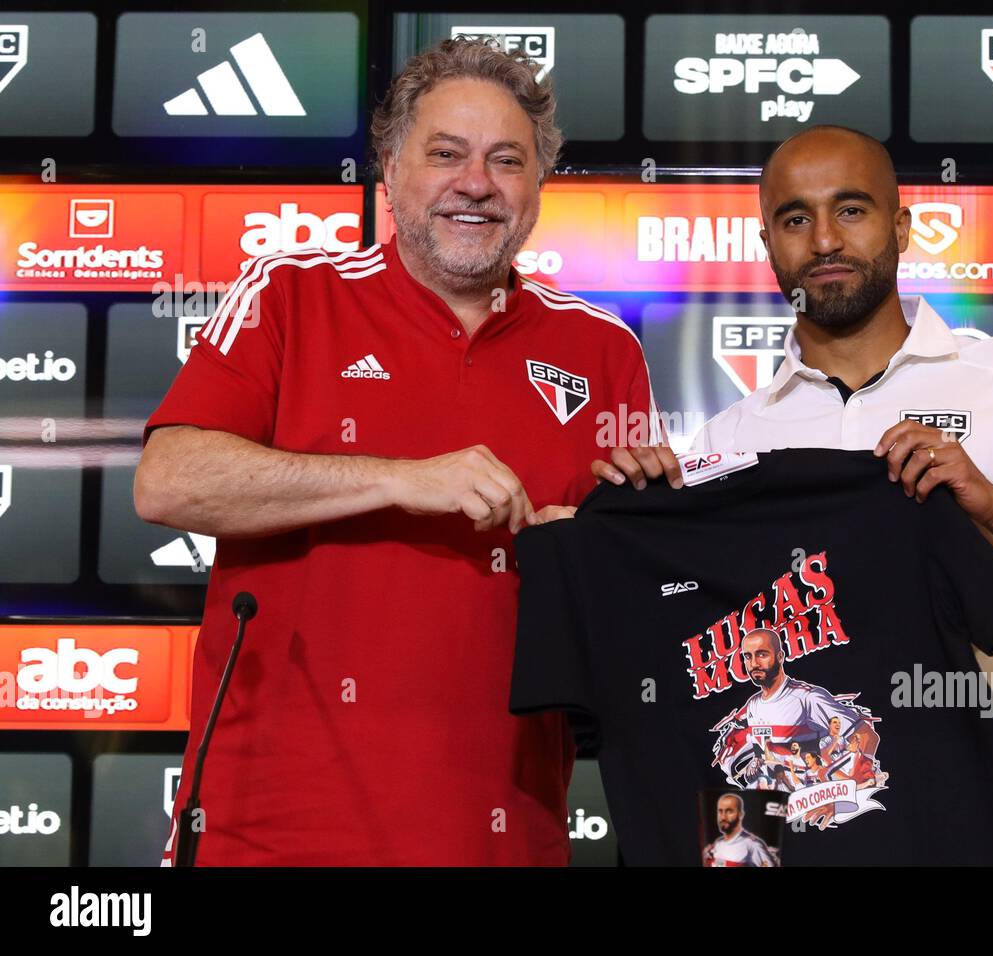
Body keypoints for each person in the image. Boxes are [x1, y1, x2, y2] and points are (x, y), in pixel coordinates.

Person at [135, 37, 658, 865]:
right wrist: (404, 480)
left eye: (507, 161)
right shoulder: (289, 293)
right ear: (388, 170)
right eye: (445, 154)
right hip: (270, 835)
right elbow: (168, 481)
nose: (476, 184)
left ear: (539, 187)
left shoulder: (604, 352)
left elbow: (631, 624)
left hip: (503, 837)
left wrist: (597, 548)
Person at [592, 125, 993, 865]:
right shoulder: (727, 445)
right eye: (796, 218)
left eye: (852, 210)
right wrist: (632, 514)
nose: (824, 239)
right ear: (767, 243)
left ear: (900, 225)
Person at [702, 793, 777, 867]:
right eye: (720, 811)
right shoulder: (718, 843)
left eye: (729, 811)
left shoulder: (752, 845)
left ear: (740, 814)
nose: (723, 817)